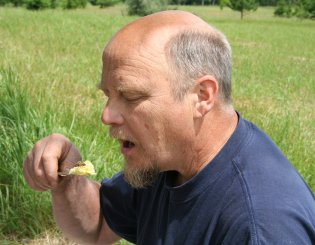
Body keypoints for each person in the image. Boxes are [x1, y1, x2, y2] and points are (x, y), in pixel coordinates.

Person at [23, 10, 315, 245]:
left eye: (131, 96)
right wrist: (67, 181)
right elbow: (98, 226)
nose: (107, 116)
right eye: (107, 95)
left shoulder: (259, 227)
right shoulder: (169, 159)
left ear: (202, 96)